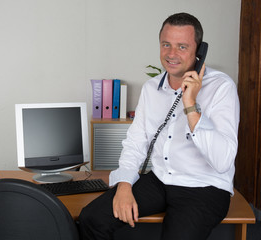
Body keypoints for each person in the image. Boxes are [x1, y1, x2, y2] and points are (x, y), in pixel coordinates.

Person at [79, 12, 240, 240]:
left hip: (204, 186)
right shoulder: (151, 88)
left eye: (182, 46)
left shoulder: (222, 88)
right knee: (92, 218)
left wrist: (190, 104)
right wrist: (124, 184)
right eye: (166, 44)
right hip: (160, 179)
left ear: (199, 51)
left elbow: (223, 161)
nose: (171, 54)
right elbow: (135, 142)